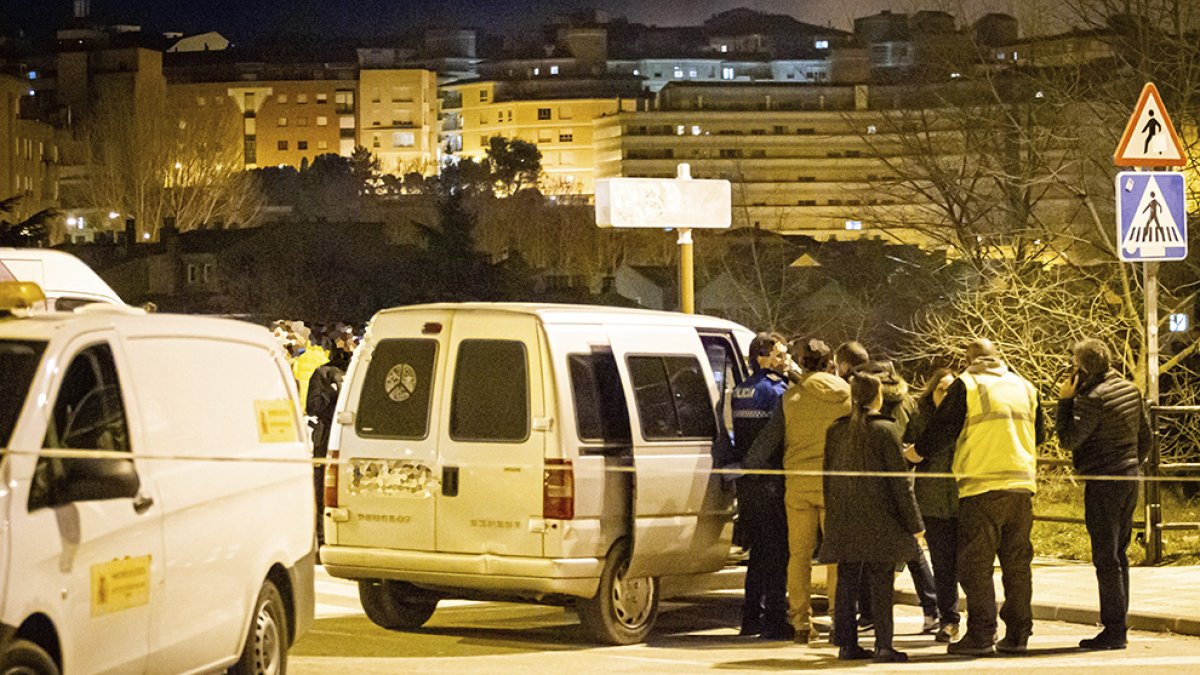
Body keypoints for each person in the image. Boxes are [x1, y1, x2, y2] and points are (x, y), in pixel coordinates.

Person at [918, 338, 1045, 656]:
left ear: (969, 360)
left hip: (981, 487)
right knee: (1017, 566)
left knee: (975, 565)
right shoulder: (1025, 386)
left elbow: (943, 429)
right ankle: (1018, 634)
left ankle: (981, 634)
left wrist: (914, 453)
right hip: (1021, 486)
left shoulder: (968, 385)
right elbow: (1041, 433)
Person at [746, 338, 851, 644]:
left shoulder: (790, 398)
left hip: (799, 485)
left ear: (802, 363)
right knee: (836, 557)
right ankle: (839, 621)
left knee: (799, 556)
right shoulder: (846, 394)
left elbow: (767, 442)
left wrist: (746, 465)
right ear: (830, 363)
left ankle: (801, 623)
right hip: (835, 484)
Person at [820, 373, 924, 663]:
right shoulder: (885, 430)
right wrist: (915, 524)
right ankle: (883, 645)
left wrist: (832, 515)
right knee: (881, 582)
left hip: (844, 516)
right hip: (881, 518)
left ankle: (846, 645)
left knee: (847, 580)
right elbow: (899, 483)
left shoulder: (836, 430)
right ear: (877, 397)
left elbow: (827, 478)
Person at [1056, 338, 1151, 650]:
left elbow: (1069, 439)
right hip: (1129, 476)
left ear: (1083, 369)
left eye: (1074, 365)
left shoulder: (1092, 398)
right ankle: (1119, 623)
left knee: (1105, 557)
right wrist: (1131, 462)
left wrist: (1065, 401)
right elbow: (1145, 437)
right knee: (1119, 553)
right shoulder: (1130, 389)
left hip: (1103, 480)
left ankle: (1114, 630)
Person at [856, 360, 940, 636]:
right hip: (903, 475)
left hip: (874, 481)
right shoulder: (907, 401)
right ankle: (932, 609)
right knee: (911, 547)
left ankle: (869, 613)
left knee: (870, 547)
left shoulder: (873, 404)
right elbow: (916, 435)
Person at [732, 332, 791, 639]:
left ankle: (750, 617)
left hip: (747, 482)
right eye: (779, 355)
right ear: (761, 358)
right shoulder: (777, 390)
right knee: (777, 553)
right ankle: (775, 620)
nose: (785, 360)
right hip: (771, 480)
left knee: (757, 553)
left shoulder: (739, 390)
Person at [903, 367, 962, 642]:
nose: (946, 395)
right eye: (941, 389)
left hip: (963, 497)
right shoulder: (921, 418)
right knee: (942, 563)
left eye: (951, 391)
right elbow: (909, 451)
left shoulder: (966, 418)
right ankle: (949, 619)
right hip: (932, 501)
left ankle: (982, 622)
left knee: (969, 564)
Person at [306, 328, 355, 546]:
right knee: (324, 487)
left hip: (347, 438)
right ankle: (322, 534)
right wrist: (334, 399)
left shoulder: (356, 372)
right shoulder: (324, 373)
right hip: (329, 437)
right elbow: (313, 406)